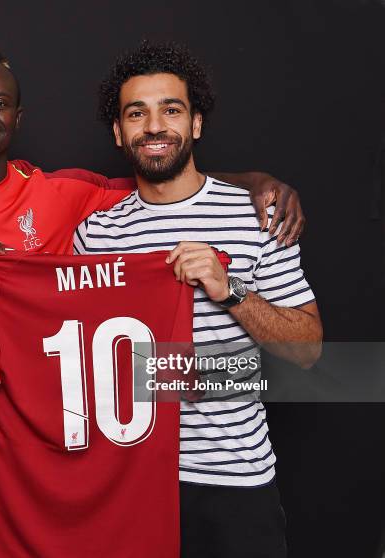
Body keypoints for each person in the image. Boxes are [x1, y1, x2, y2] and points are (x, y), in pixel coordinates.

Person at [0, 42, 306, 557]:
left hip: (31, 455)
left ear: (17, 115)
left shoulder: (62, 196)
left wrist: (256, 183)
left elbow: (160, 172)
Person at [72, 40, 323, 557]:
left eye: (172, 109)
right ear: (120, 132)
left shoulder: (256, 216)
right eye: (136, 113)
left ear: (196, 123)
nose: (155, 126)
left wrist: (230, 290)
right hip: (130, 479)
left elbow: (308, 348)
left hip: (233, 481)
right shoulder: (95, 237)